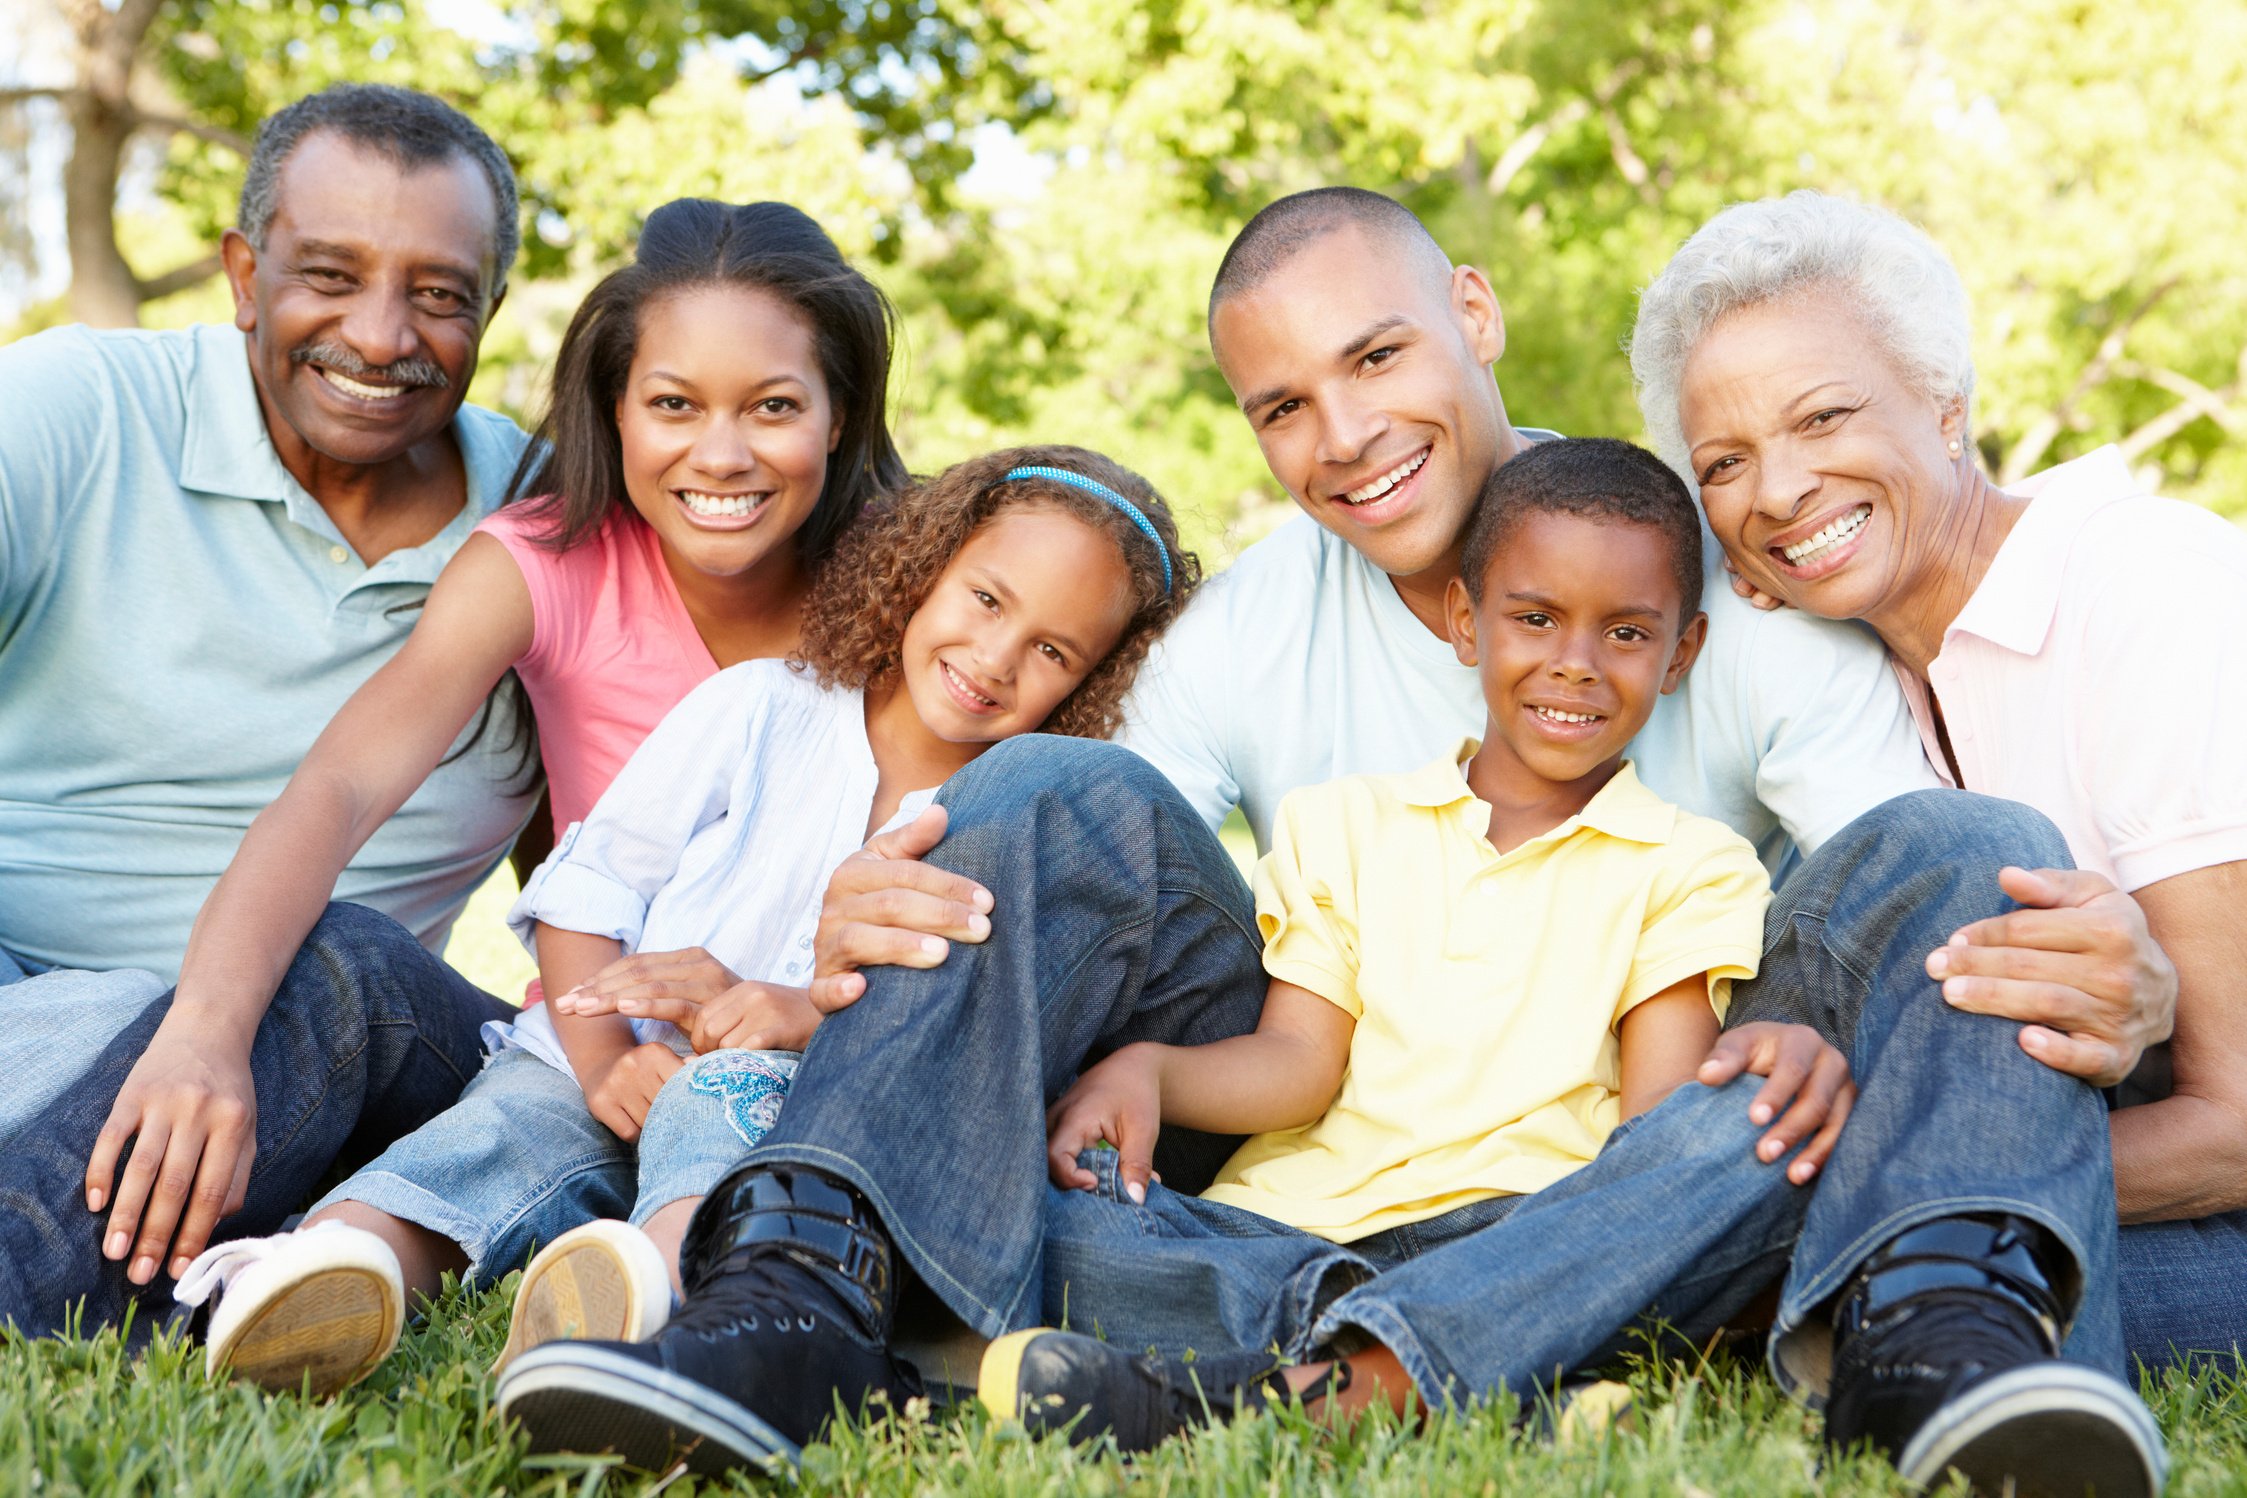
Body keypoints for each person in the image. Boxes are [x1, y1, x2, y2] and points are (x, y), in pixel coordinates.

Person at [498, 189, 2175, 1495]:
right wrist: (908, 905)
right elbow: (1088, 896)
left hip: (1652, 1145)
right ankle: (794, 1296)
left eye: (1376, 359)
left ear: (1473, 314)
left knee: (1962, 850)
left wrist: (1831, 1026)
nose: (1345, 435)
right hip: (1316, 1148)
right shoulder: (1248, 634)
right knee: (1036, 791)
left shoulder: (1703, 576)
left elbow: (1894, 902)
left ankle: (1929, 1342)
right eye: (1282, 405)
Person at [175, 447, 1197, 1403]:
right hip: (598, 1059)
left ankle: (642, 1301)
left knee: (719, 1143)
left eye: (1052, 649)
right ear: (927, 568)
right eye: (986, 599)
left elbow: (957, 1040)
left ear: (1092, 680)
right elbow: (586, 896)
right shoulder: (757, 708)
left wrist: (796, 1014)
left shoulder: (1013, 829)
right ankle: (326, 1263)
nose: (995, 657)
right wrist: (605, 1063)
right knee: (498, 1139)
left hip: (775, 1108)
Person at [980, 438, 1840, 1445]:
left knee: (1731, 1153)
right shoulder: (1340, 823)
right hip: (1286, 1232)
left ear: (1680, 653)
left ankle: (1252, 1393)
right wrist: (1150, 1071)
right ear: (1466, 622)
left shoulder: (1694, 866)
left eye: (1625, 632)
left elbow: (1649, 1152)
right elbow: (1299, 1064)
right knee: (1064, 1222)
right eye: (1535, 618)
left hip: (1514, 1235)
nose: (1575, 661)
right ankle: (1479, 1374)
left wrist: (1593, 1244)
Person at [1631, 189, 2247, 1378]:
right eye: (1727, 464)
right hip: (2078, 1168)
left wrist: (1867, 1189)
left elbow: (2237, 1125)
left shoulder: (2147, 592)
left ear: (1947, 405)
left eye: (1825, 417)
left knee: (1804, 1293)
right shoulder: (1863, 667)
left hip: (2222, 1199)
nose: (1778, 491)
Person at [0, 83, 531, 1337]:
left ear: (490, 312)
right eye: (330, 276)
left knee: (329, 974)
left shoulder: (547, 530)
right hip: (25, 992)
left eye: (439, 294)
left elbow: (620, 857)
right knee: (96, 1026)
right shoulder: (79, 408)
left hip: (306, 1049)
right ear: (246, 275)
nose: (381, 336)